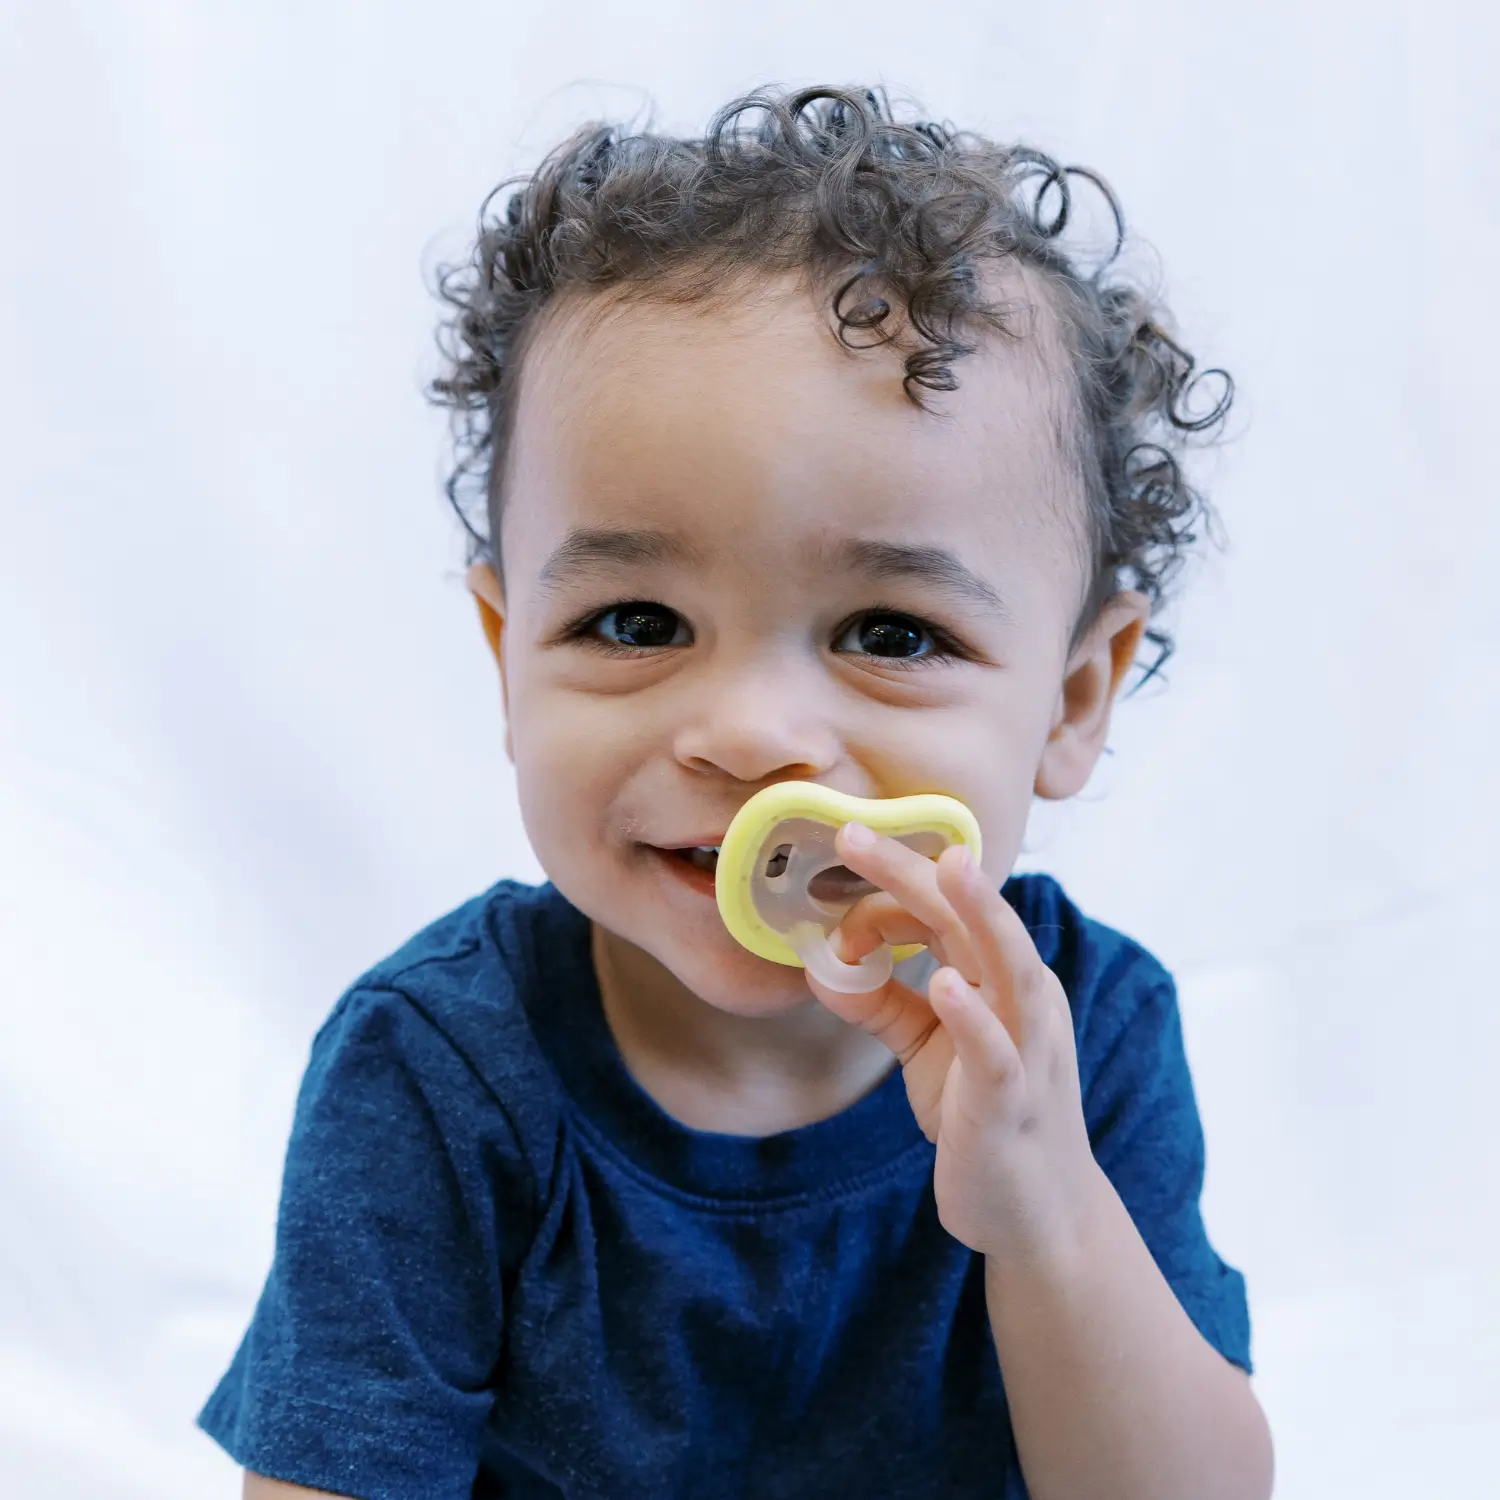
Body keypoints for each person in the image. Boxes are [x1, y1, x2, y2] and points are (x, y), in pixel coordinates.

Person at [198, 84, 1274, 1500]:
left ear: (1072, 700)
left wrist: (1048, 1210)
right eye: (635, 622)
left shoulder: (1080, 1035)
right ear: (506, 651)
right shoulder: (441, 1073)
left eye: (892, 635)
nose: (757, 737)